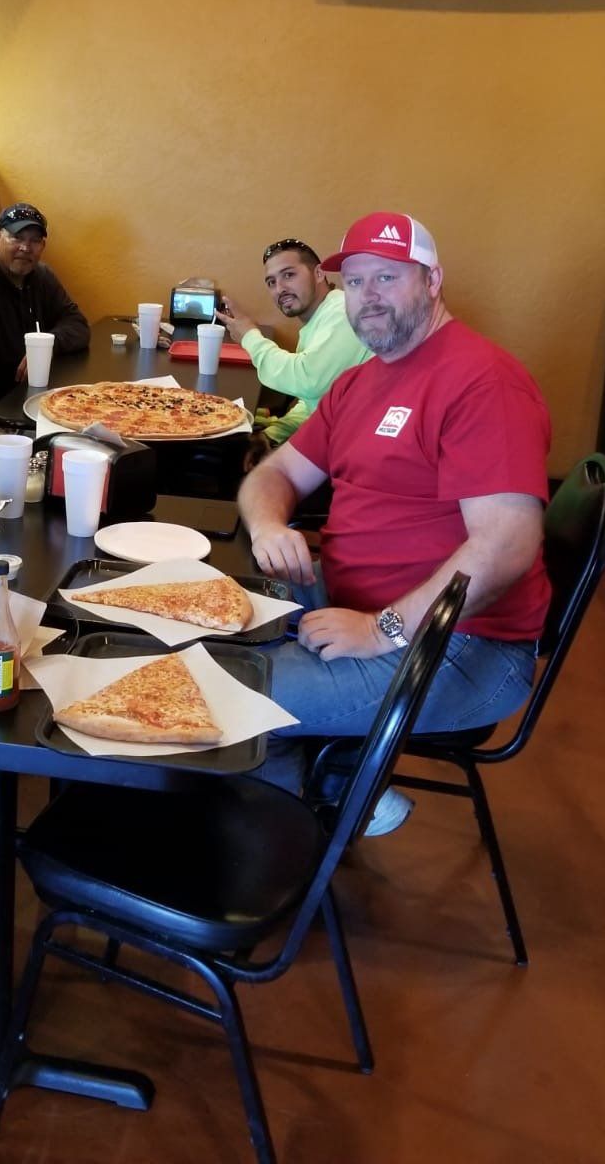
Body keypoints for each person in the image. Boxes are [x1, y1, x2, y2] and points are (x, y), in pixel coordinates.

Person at [238, 212, 551, 831]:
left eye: (388, 277)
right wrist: (269, 526)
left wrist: (383, 630)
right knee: (211, 626)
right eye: (355, 282)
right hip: (351, 599)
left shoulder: (483, 381)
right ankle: (337, 780)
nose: (368, 297)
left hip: (463, 646)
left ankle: (282, 852)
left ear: (433, 281)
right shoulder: (359, 384)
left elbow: (508, 546)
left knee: (236, 700)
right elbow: (269, 478)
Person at [219, 237, 370, 450]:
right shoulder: (320, 318)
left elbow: (307, 380)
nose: (280, 288)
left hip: (355, 448)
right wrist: (273, 434)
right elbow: (313, 401)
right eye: (271, 282)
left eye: (289, 275)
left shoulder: (343, 312)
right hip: (333, 435)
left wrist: (249, 336)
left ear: (319, 273)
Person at [0, 203, 90, 408]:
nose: (26, 248)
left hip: (41, 397)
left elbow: (78, 326)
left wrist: (49, 344)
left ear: (43, 246)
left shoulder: (41, 275)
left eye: (35, 240)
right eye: (17, 237)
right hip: (0, 407)